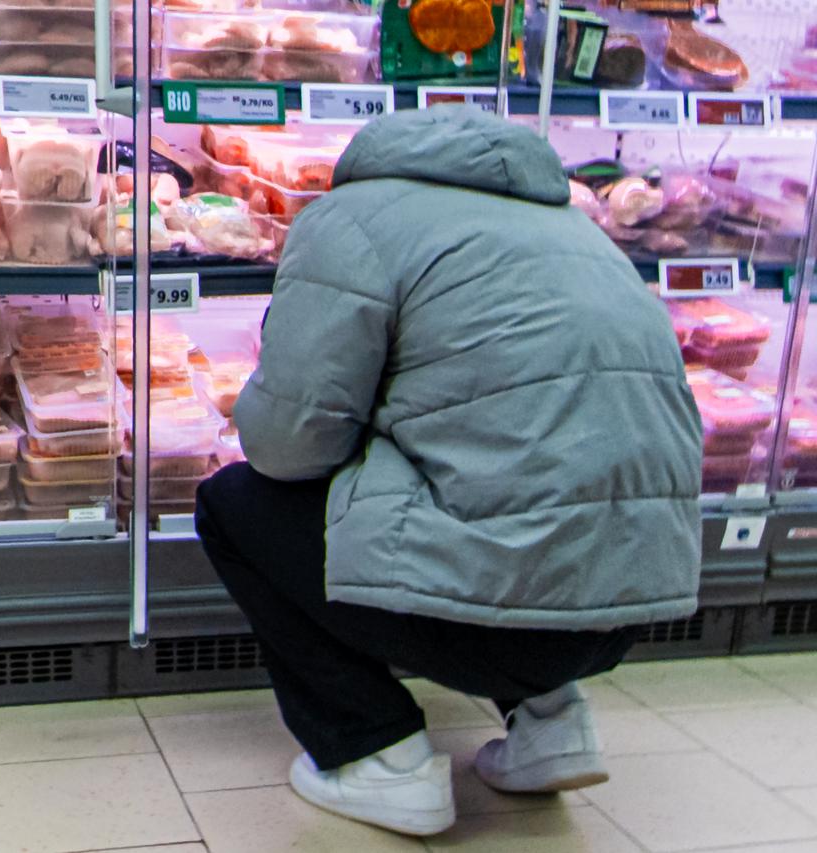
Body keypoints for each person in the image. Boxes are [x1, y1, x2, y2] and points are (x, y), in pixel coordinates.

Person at [194, 105, 703, 838]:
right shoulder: (573, 228)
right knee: (516, 469)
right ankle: (553, 724)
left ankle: (378, 754)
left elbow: (286, 445)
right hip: (632, 600)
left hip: (488, 620)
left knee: (236, 503)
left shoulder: (351, 219)